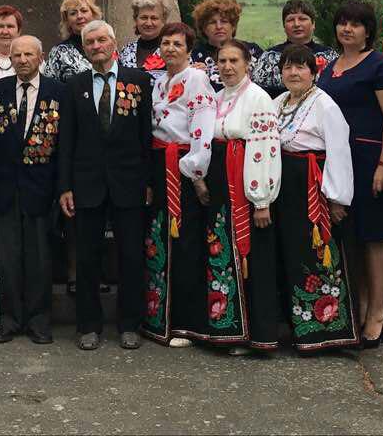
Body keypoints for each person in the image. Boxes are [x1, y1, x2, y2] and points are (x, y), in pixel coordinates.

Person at [58, 19, 154, 351]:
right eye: (90, 43)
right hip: (86, 183)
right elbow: (66, 140)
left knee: (130, 255)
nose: (97, 47)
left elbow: (146, 138)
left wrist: (148, 181)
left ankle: (130, 324)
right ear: (84, 49)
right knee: (87, 257)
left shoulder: (139, 81)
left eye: (102, 41)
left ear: (113, 43)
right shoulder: (74, 85)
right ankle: (88, 325)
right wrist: (65, 186)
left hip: (129, 182)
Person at [315, 0, 383, 347]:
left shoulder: (380, 66)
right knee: (348, 239)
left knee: (372, 239)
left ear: (368, 30)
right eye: (342, 23)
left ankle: (378, 314)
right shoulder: (329, 68)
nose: (347, 29)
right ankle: (359, 309)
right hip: (336, 162)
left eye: (355, 24)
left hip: (368, 161)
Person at [271, 44, 360, 352]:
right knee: (289, 252)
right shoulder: (278, 102)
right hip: (285, 187)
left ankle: (326, 330)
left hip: (313, 188)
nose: (293, 73)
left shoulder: (326, 105)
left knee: (316, 252)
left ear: (314, 72)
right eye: (288, 67)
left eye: (301, 67)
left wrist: (337, 199)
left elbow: (339, 152)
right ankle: (295, 327)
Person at [203, 41, 281, 351]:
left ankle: (256, 334)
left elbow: (265, 150)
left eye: (234, 60)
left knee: (254, 258)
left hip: (246, 184)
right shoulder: (219, 97)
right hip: (222, 182)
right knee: (222, 253)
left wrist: (261, 200)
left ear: (247, 63)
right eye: (221, 60)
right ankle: (229, 329)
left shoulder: (259, 98)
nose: (227, 66)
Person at [143, 21, 216, 347]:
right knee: (160, 238)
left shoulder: (196, 78)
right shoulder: (160, 82)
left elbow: (202, 125)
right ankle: (161, 319)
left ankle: (186, 324)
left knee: (185, 240)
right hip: (161, 163)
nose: (170, 48)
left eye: (177, 44)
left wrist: (197, 173)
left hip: (184, 164)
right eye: (166, 43)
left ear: (189, 49)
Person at [0, 34, 64, 344]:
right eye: (16, 55)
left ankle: (39, 319)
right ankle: (9, 319)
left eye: (28, 55)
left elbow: (64, 145)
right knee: (7, 258)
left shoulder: (58, 92)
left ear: (40, 57)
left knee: (40, 259)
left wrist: (62, 188)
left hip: (41, 189)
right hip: (5, 188)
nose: (21, 60)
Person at [251, 0, 339, 97]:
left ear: (313, 24)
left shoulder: (330, 56)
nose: (297, 24)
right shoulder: (268, 57)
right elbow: (257, 94)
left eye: (302, 19)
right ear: (284, 26)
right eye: (290, 20)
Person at [191, 0, 261, 92]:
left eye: (224, 21)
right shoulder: (194, 57)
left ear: (233, 26)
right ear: (204, 28)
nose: (219, 26)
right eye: (212, 22)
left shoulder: (252, 51)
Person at [43, 0, 101, 83]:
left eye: (84, 11)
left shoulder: (107, 44)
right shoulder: (59, 52)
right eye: (73, 13)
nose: (79, 16)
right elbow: (49, 87)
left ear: (93, 13)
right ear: (67, 20)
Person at [117, 0, 171, 89]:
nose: (148, 23)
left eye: (154, 18)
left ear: (163, 21)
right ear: (136, 20)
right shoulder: (126, 50)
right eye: (144, 17)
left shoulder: (172, 49)